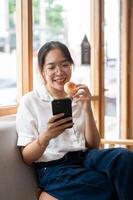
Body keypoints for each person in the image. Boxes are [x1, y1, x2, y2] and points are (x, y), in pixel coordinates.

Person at [16, 41, 133, 200]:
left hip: (85, 157)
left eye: (65, 64)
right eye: (51, 67)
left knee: (125, 158)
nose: (59, 72)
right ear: (42, 72)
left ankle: (53, 194)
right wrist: (46, 136)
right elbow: (27, 157)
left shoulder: (78, 96)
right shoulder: (30, 101)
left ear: (71, 66)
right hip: (54, 168)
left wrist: (86, 107)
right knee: (106, 184)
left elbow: (93, 144)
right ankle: (50, 192)